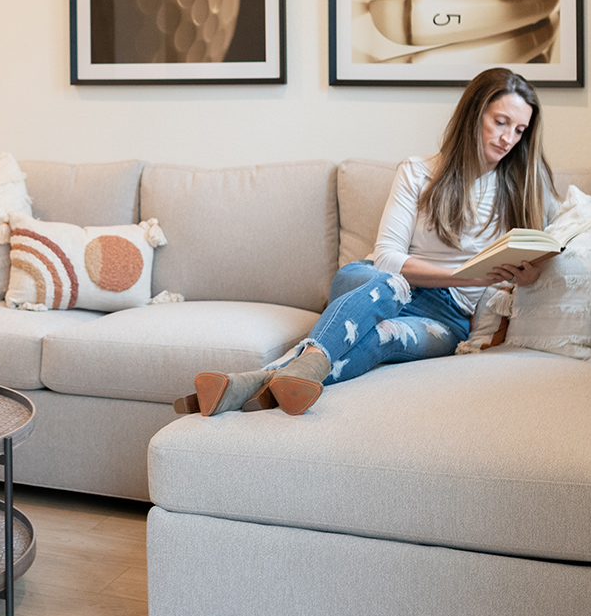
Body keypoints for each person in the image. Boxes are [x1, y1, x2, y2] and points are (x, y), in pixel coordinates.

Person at [175, 67, 558, 418]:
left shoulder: (521, 189)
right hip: (376, 283)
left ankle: (248, 384)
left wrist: (526, 277)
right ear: (474, 116)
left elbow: (538, 251)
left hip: (447, 318)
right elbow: (389, 259)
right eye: (501, 122)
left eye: (520, 130)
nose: (509, 138)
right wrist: (463, 276)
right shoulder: (418, 172)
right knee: (389, 284)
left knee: (382, 338)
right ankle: (303, 366)